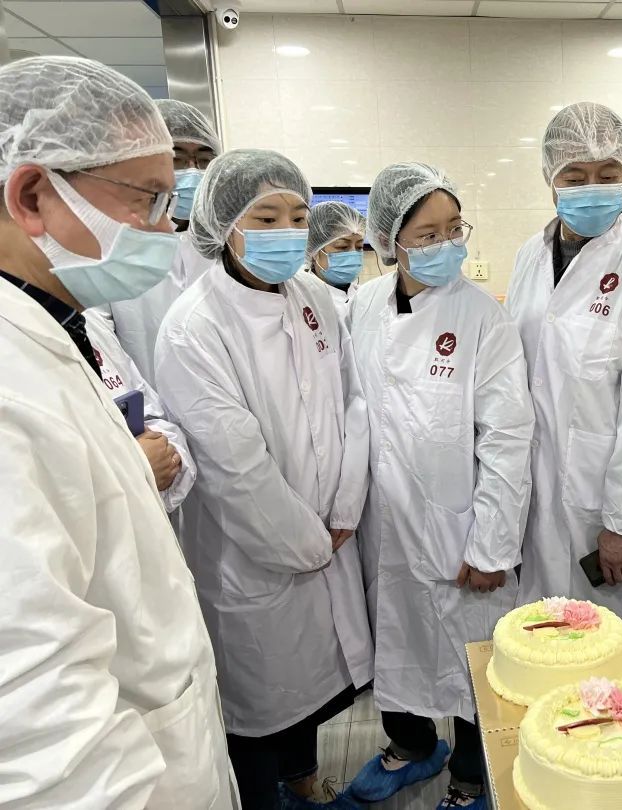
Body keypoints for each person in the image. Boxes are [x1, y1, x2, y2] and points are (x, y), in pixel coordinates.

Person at [0, 56, 234, 808]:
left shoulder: (73, 322)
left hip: (165, 735)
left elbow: (147, 418)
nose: (167, 228)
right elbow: (37, 725)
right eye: (148, 199)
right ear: (32, 196)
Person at [154, 148, 374, 810]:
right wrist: (308, 542)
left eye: (298, 217)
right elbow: (234, 466)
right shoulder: (194, 326)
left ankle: (305, 782)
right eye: (267, 217)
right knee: (258, 710)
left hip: (330, 531)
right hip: (255, 555)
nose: (288, 231)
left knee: (312, 694)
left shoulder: (315, 298)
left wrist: (345, 509)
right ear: (226, 226)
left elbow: (353, 402)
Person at [343, 163, 534, 810]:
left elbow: (507, 438)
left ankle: (473, 777)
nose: (446, 245)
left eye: (455, 229)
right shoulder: (363, 305)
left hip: (458, 527)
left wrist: (492, 545)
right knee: (394, 645)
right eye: (427, 234)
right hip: (382, 523)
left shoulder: (481, 318)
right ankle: (412, 747)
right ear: (388, 240)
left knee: (471, 661)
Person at [506, 102, 622, 624]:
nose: (593, 187)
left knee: (603, 646)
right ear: (550, 179)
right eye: (575, 176)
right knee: (536, 639)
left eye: (608, 175)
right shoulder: (530, 256)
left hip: (601, 507)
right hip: (529, 493)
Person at [97, 98, 221, 385]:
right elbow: (100, 343)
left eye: (204, 160)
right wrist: (144, 408)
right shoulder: (109, 247)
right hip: (147, 407)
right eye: (176, 158)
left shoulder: (228, 245)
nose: (193, 171)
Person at [84, 307, 196, 514]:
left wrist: (166, 454)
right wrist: (132, 468)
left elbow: (151, 413)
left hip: (142, 518)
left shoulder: (90, 324)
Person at [305, 200, 365, 319]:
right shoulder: (301, 299)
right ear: (314, 251)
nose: (353, 254)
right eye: (342, 247)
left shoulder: (365, 295)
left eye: (359, 247)